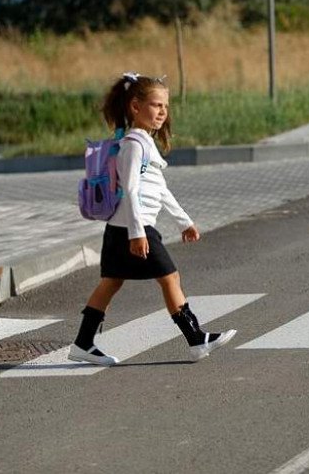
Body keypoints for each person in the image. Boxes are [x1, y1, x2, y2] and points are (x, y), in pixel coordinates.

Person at [69, 72, 236, 366]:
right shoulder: (134, 144)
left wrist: (183, 221)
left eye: (166, 107)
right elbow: (131, 189)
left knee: (111, 283)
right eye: (157, 105)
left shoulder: (144, 142)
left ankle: (83, 343)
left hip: (123, 228)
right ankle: (196, 339)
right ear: (136, 107)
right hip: (133, 228)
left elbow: (159, 189)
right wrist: (137, 233)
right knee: (169, 277)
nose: (162, 112)